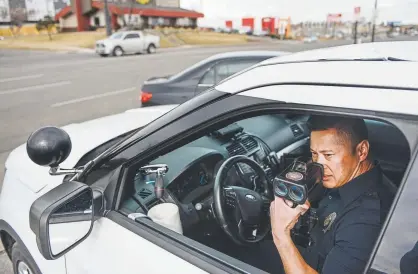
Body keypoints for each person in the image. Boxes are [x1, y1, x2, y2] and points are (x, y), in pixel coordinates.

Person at [239, 115, 396, 274]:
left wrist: (280, 234)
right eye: (314, 154)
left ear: (361, 150)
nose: (319, 165)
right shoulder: (348, 176)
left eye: (328, 155)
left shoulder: (366, 221)